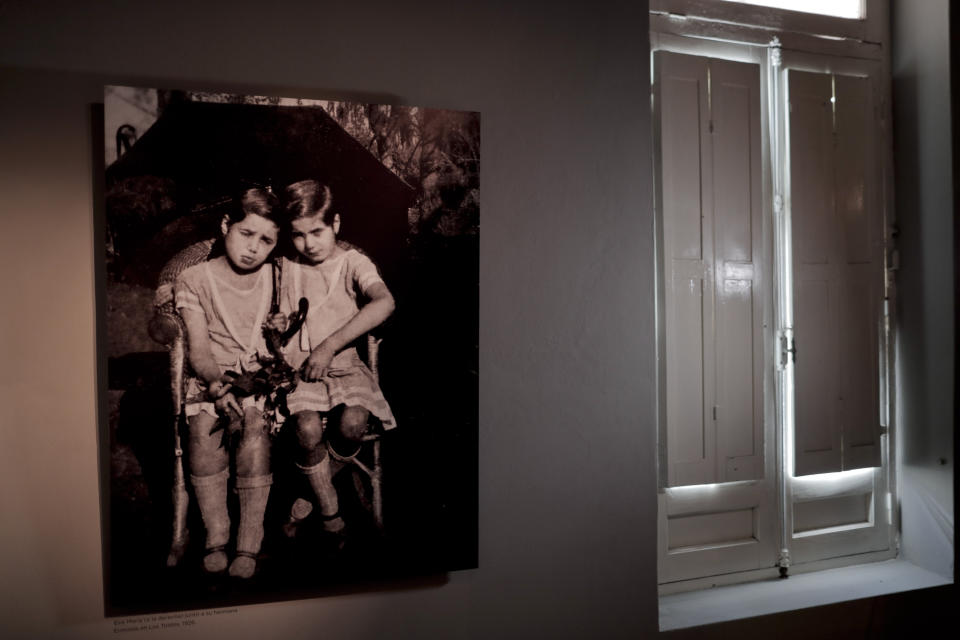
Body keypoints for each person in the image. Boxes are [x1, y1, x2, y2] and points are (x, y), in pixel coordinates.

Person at [274, 179, 397, 540]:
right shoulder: (286, 266)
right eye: (298, 235)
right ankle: (330, 512)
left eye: (317, 231)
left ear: (336, 224)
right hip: (303, 371)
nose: (308, 243)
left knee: (353, 424)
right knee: (308, 429)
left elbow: (385, 302)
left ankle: (310, 490)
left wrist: (328, 347)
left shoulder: (352, 263)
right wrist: (278, 325)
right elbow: (276, 324)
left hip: (343, 366)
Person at [174, 187, 280, 578]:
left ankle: (250, 536)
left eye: (266, 240)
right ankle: (217, 531)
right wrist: (216, 384)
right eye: (246, 233)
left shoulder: (278, 276)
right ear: (225, 226)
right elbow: (198, 348)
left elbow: (287, 335)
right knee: (204, 430)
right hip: (211, 378)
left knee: (252, 428)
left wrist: (279, 330)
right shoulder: (194, 277)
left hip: (260, 380)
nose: (254, 248)